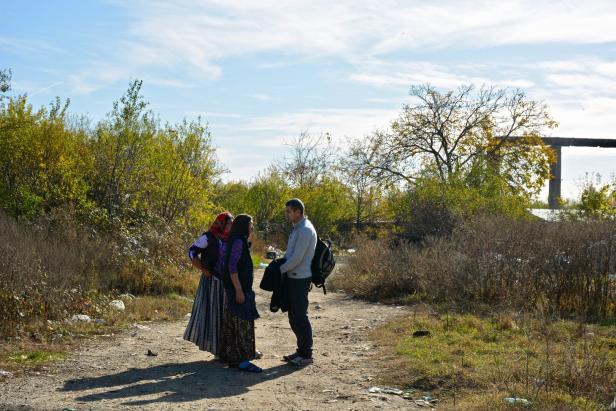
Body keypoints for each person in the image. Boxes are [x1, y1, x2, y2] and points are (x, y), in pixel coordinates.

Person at [184, 212, 233, 357]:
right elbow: (192, 251)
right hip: (212, 281)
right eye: (229, 223)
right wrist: (202, 268)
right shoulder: (209, 237)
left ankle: (226, 348)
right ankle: (217, 349)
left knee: (226, 315)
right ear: (222, 224)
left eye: (232, 224)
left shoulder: (232, 239)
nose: (231, 226)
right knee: (213, 314)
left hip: (227, 282)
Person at [219, 214, 261, 372]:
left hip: (238, 289)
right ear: (243, 225)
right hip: (238, 290)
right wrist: (239, 290)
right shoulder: (237, 242)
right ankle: (243, 361)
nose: (252, 227)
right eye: (250, 224)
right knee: (242, 325)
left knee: (234, 324)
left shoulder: (239, 240)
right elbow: (232, 267)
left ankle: (234, 359)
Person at [279, 199, 317, 366]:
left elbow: (297, 258)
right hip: (293, 277)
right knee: (294, 316)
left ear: (298, 211)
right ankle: (300, 351)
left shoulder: (305, 230)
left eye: (289, 211)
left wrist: (278, 271)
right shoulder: (297, 228)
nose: (287, 215)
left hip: (300, 278)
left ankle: (307, 353)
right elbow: (290, 255)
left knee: (300, 316)